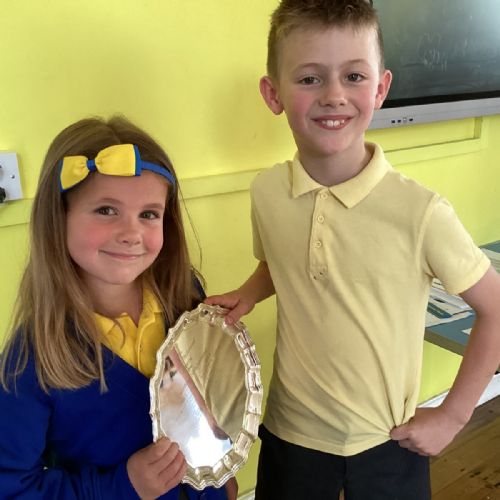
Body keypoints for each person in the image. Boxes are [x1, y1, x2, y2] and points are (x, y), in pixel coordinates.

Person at [205, 1, 500, 499]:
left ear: (381, 89)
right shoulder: (267, 192)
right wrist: (249, 293)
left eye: (354, 76)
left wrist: (453, 415)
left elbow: (495, 308)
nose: (334, 96)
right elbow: (281, 258)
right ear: (273, 94)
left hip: (388, 442)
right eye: (310, 79)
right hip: (290, 435)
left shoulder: (421, 212)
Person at [0, 116, 236, 500]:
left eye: (149, 214)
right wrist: (122, 486)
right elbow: (11, 487)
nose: (131, 233)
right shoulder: (30, 360)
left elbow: (204, 401)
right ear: (58, 217)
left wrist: (220, 475)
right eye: (107, 210)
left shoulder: (183, 299)